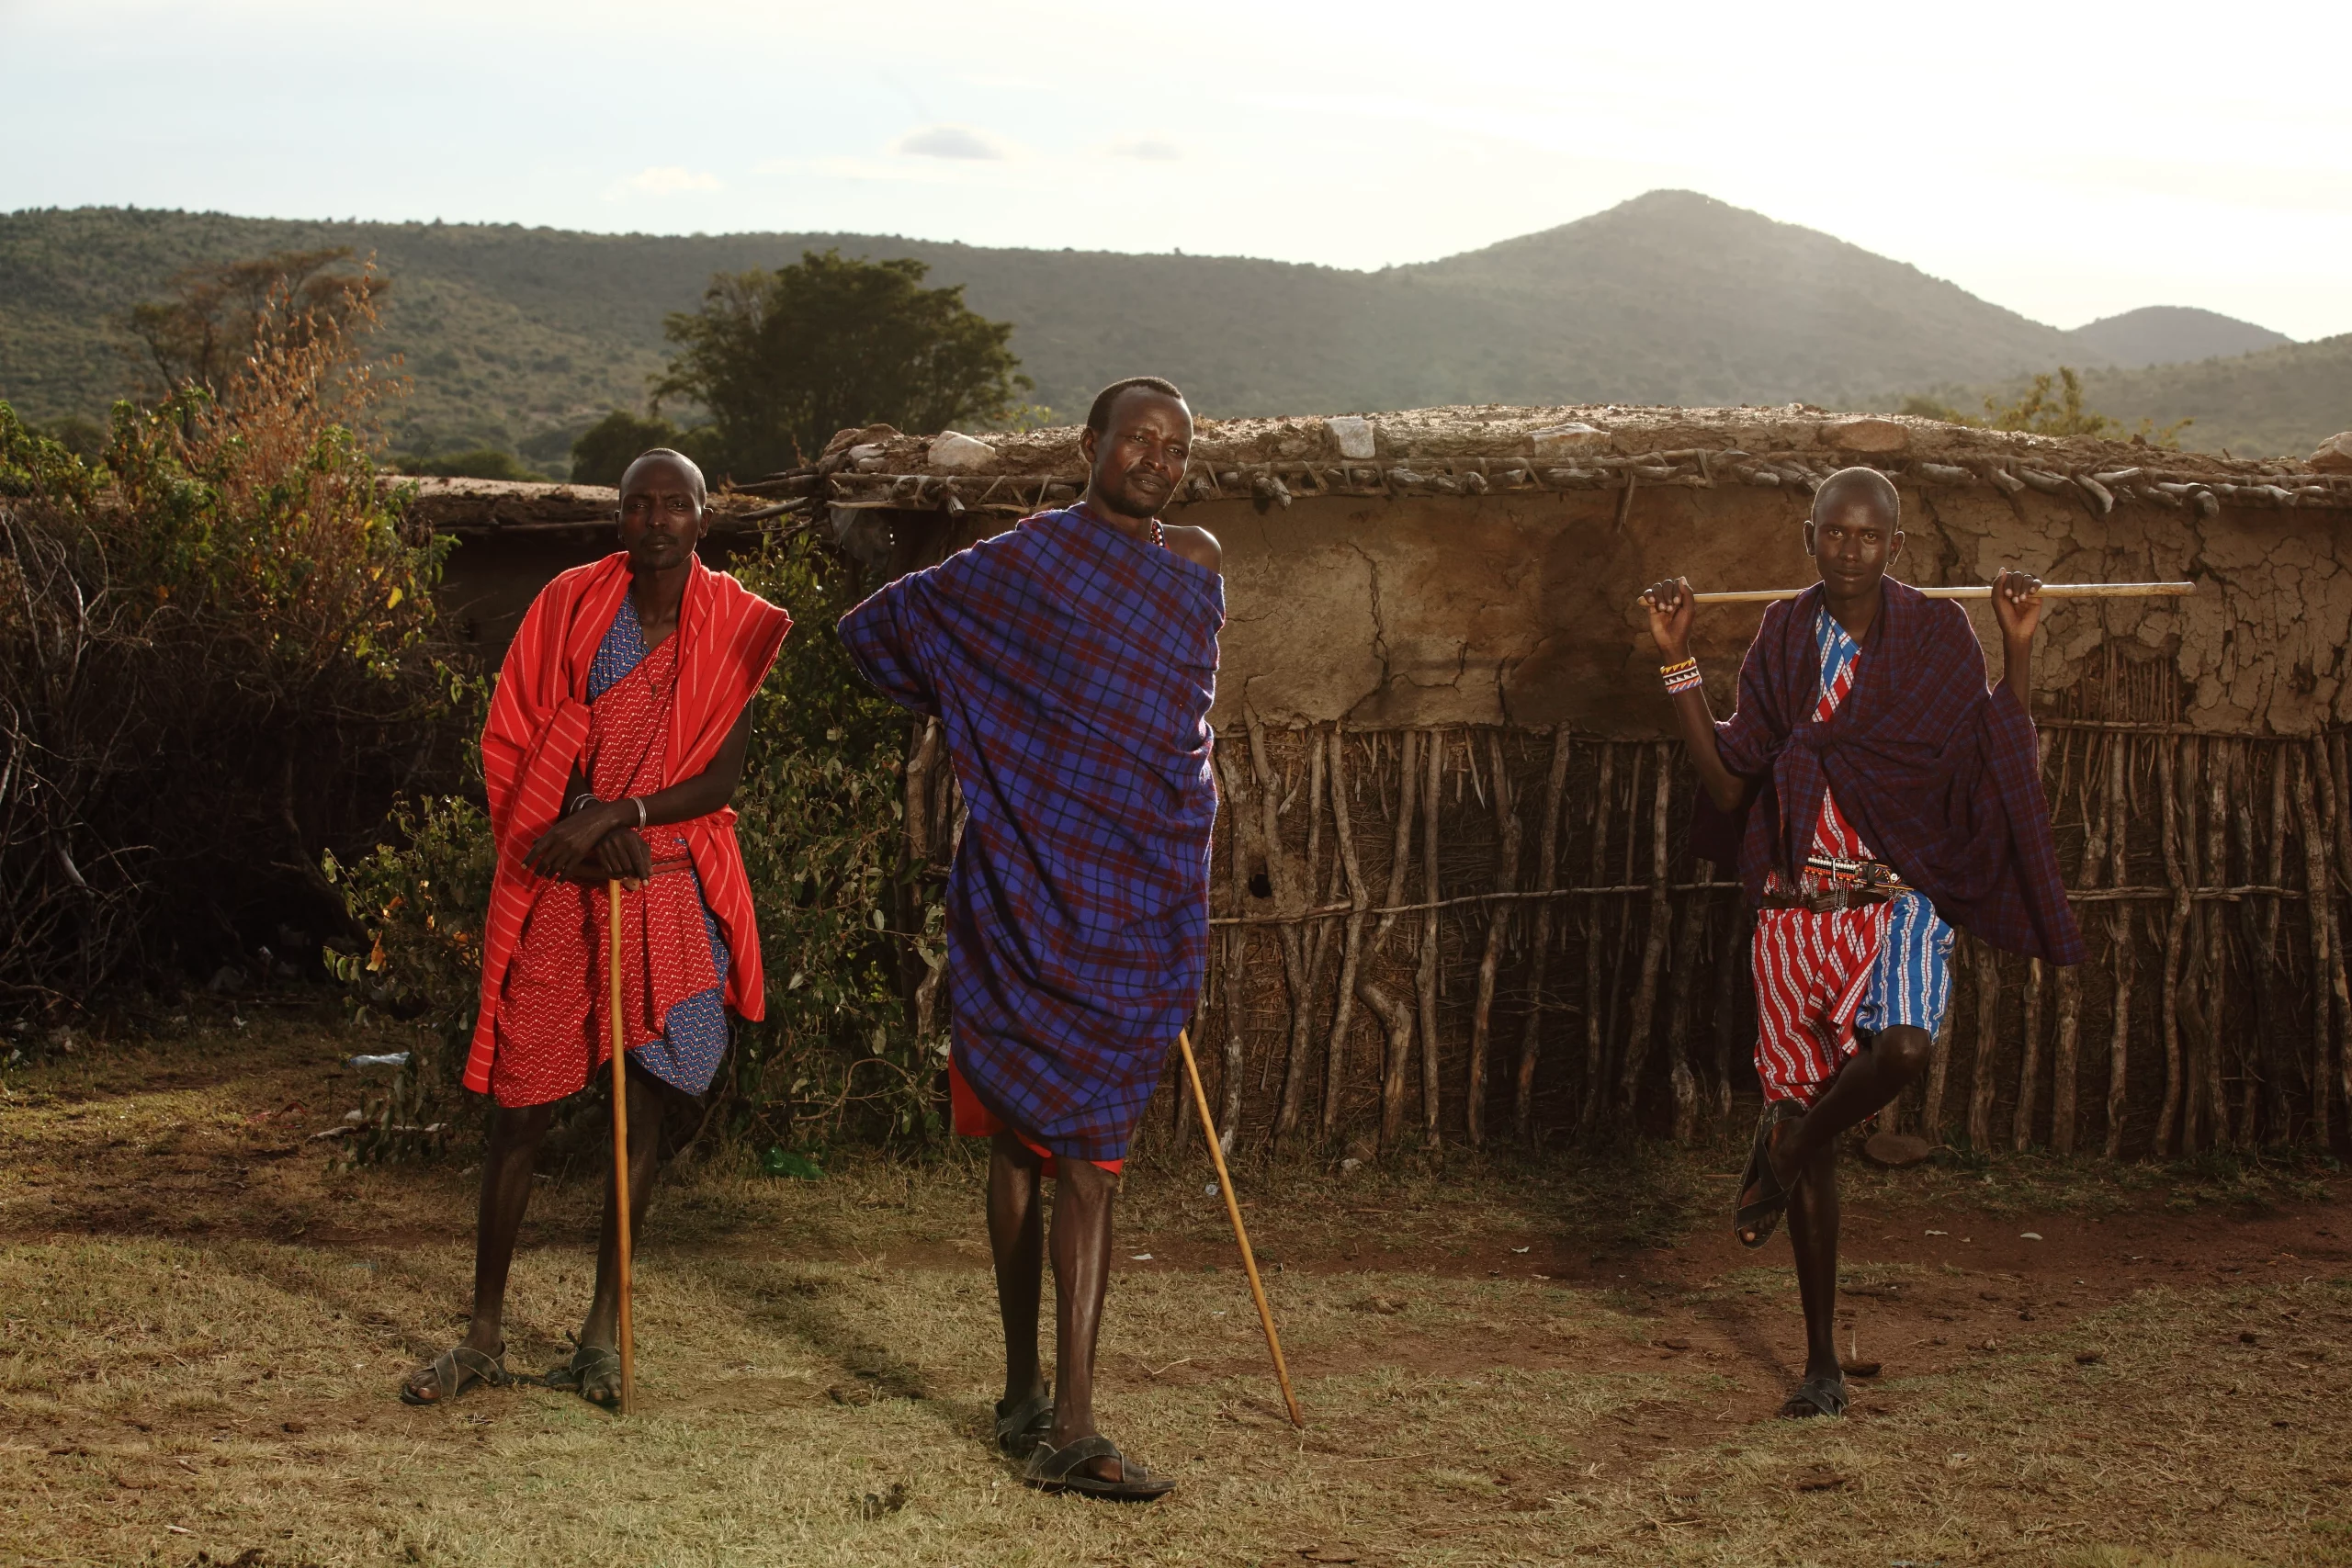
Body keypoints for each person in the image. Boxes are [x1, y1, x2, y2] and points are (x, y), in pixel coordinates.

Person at [837, 377, 1222, 1500]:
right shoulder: (1020, 562)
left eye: (1173, 446)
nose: (1155, 458)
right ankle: (1028, 1402)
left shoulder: (1192, 567)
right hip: (1025, 884)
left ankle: (1067, 1417)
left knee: (1090, 1162)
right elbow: (876, 636)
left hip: (1133, 891)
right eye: (1136, 439)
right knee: (1017, 1143)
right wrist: (981, 707)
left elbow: (1179, 720)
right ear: (1089, 447)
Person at [1639, 466, 2083, 1420]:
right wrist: (1676, 660)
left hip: (1898, 900)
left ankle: (1788, 1140)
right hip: (1796, 910)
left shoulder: (1935, 637)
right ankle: (1817, 1364)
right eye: (1831, 534)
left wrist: (2018, 650)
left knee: (1904, 1049)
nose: (1848, 550)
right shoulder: (1783, 635)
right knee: (1820, 1137)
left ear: (1896, 547)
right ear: (1809, 538)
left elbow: (1992, 752)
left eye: (1866, 537)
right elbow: (1728, 787)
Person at [401, 448, 791, 1409]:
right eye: (638, 504)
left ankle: (599, 1336)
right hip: (560, 874)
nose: (655, 519)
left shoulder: (734, 627)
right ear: (619, 518)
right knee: (519, 1107)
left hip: (661, 876)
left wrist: (624, 816)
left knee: (643, 1102)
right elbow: (514, 735)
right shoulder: (570, 606)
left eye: (675, 505)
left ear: (704, 518)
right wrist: (577, 816)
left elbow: (720, 779)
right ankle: (483, 1335)